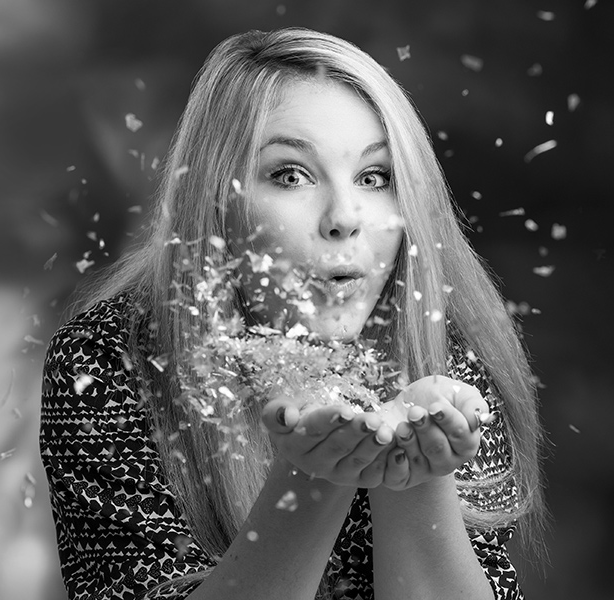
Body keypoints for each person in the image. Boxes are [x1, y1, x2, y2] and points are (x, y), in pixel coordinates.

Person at [39, 28, 547, 600]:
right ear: (216, 198)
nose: (345, 217)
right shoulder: (113, 359)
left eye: (374, 177)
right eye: (291, 175)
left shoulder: (441, 354)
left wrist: (417, 476)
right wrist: (309, 481)